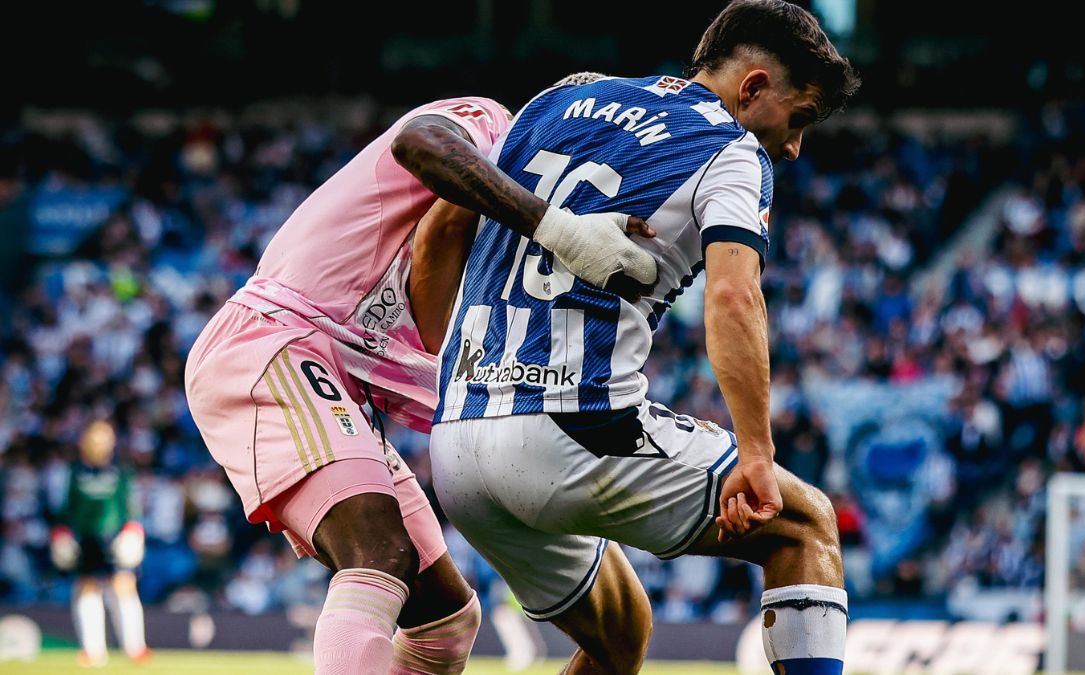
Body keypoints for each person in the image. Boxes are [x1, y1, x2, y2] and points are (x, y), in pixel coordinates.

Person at [427, 1, 860, 673]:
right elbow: (733, 295)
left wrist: (428, 374)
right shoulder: (732, 151)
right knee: (804, 525)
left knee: (621, 630)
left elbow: (442, 226)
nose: (795, 145)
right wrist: (755, 451)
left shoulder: (557, 100)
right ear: (752, 88)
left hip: (456, 445)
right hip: (568, 429)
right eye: (797, 118)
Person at [184, 94, 656, 675]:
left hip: (346, 372)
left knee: (446, 625)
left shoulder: (516, 253)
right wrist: (558, 229)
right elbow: (419, 146)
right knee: (378, 555)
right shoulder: (491, 125)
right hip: (280, 338)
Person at [50, 420, 150, 667]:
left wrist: (133, 531)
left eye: (104, 439)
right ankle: (93, 651)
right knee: (87, 588)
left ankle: (136, 648)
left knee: (125, 587)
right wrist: (61, 533)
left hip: (115, 537)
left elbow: (131, 507)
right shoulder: (75, 472)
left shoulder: (120, 472)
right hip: (86, 538)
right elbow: (66, 508)